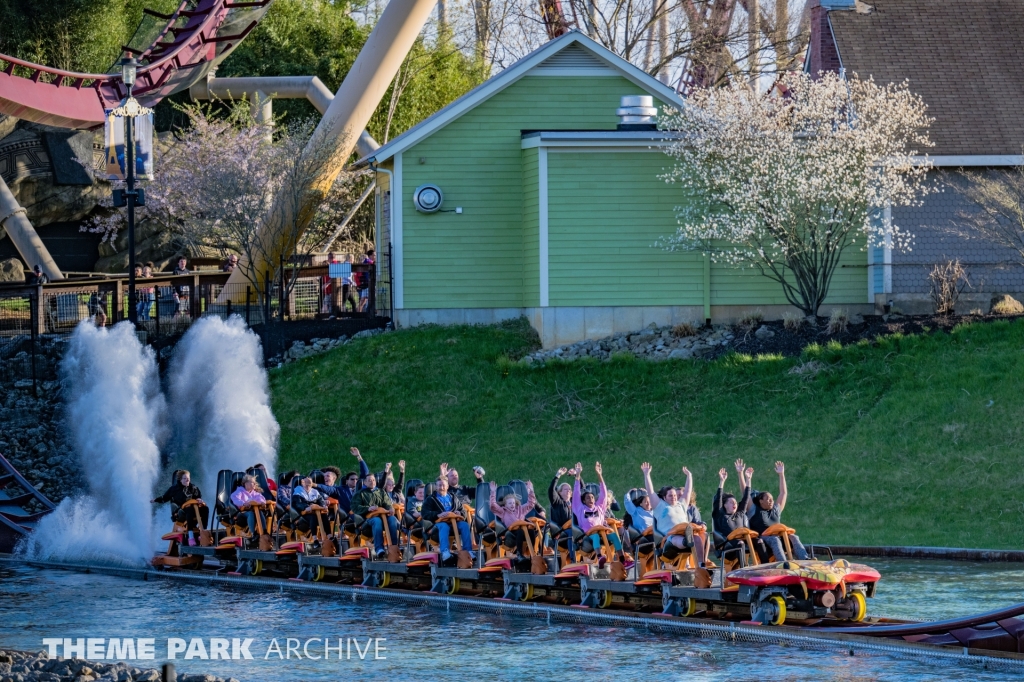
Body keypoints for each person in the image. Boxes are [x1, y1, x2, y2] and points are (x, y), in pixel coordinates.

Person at [641, 462, 707, 568]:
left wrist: (689, 476)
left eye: (675, 495)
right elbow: (650, 490)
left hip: (685, 531)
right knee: (677, 539)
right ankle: (686, 542)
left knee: (698, 538)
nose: (674, 497)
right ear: (664, 497)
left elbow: (688, 491)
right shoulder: (659, 505)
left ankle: (701, 565)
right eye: (670, 496)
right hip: (669, 537)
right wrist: (646, 474)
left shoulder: (681, 504)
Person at [571, 462, 630, 567]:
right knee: (595, 537)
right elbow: (576, 493)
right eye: (588, 498)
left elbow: (604, 492)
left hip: (603, 533)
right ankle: (600, 557)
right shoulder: (579, 508)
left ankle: (622, 558)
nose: (591, 499)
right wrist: (578, 475)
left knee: (614, 536)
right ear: (583, 501)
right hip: (588, 536)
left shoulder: (599, 508)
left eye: (592, 497)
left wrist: (599, 475)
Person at [749, 461, 808, 561]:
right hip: (763, 539)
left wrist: (781, 474)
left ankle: (805, 559)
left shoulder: (776, 510)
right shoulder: (754, 510)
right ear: (761, 501)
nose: (771, 501)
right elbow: (745, 494)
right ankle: (783, 563)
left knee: (794, 537)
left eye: (772, 498)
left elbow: (783, 493)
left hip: (779, 537)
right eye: (768, 499)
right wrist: (745, 477)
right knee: (775, 539)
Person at [422, 475, 473, 565]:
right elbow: (424, 514)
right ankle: (445, 552)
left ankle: (468, 550)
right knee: (444, 526)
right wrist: (438, 514)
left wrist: (460, 513)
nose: (441, 487)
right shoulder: (431, 499)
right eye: (439, 485)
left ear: (447, 486)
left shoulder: (453, 498)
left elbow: (463, 510)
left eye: (443, 485)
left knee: (464, 525)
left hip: (454, 523)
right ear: (436, 486)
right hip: (437, 525)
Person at [712, 460, 756, 559]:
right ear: (725, 505)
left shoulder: (739, 513)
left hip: (743, 541)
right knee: (740, 543)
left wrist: (748, 479)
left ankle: (764, 568)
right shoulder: (720, 515)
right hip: (726, 545)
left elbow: (746, 498)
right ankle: (743, 570)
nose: (735, 504)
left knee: (760, 541)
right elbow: (718, 499)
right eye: (731, 502)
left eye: (735, 502)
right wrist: (722, 482)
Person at [350, 471, 398, 559]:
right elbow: (355, 508)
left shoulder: (381, 492)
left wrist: (390, 508)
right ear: (364, 482)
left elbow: (387, 503)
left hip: (383, 517)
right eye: (369, 480)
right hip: (367, 520)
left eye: (373, 480)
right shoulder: (360, 494)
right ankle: (379, 548)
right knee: (377, 520)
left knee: (392, 519)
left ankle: (394, 546)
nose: (372, 482)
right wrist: (368, 508)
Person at [152, 470, 208, 544]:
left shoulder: (194, 488)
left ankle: (202, 532)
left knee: (205, 509)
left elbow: (198, 497)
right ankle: (190, 537)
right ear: (180, 480)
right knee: (189, 509)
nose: (187, 479)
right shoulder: (174, 489)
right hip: (180, 511)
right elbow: (164, 498)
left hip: (194, 509)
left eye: (188, 478)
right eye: (185, 478)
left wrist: (200, 500)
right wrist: (155, 500)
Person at [489, 479, 538, 558]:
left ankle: (532, 552)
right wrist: (493, 492)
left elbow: (531, 504)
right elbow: (493, 506)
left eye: (513, 503)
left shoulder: (520, 509)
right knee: (520, 531)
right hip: (510, 533)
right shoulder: (503, 511)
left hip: (523, 530)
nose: (512, 505)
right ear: (505, 504)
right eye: (509, 503)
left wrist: (531, 491)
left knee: (531, 531)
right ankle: (519, 554)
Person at [314, 448, 369, 516]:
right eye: (352, 479)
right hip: (348, 515)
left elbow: (365, 474)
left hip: (362, 513)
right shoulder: (340, 490)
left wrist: (359, 456)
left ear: (334, 478)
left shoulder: (360, 488)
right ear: (346, 481)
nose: (355, 481)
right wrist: (315, 485)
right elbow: (328, 489)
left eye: (327, 476)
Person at [548, 466, 577, 562]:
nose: (568, 490)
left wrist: (577, 475)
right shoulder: (557, 502)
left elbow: (583, 491)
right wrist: (557, 476)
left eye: (570, 489)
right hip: (560, 534)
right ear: (559, 492)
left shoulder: (574, 504)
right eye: (565, 489)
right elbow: (551, 491)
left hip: (574, 531)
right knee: (571, 532)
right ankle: (574, 560)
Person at [230, 474, 268, 539]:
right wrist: (243, 503)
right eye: (253, 483)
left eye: (255, 483)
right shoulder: (239, 491)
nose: (255, 484)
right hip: (241, 513)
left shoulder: (254, 493)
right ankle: (253, 533)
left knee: (259, 512)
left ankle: (264, 531)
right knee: (250, 513)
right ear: (246, 483)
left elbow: (261, 498)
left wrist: (262, 502)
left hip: (253, 510)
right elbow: (235, 499)